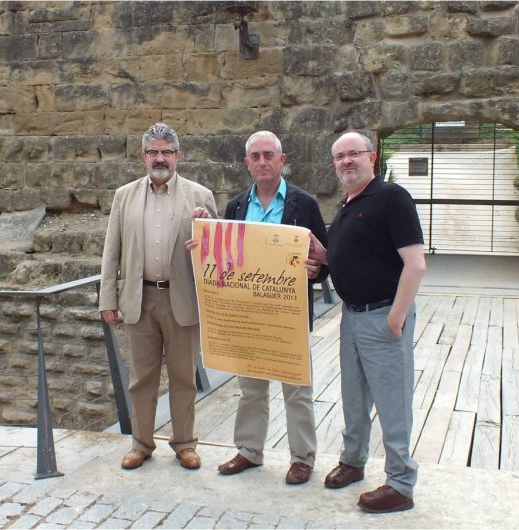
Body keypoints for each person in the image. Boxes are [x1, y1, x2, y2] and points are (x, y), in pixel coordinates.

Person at [306, 131, 426, 513]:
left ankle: (400, 483)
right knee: (354, 397)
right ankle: (353, 460)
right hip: (352, 317)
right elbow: (353, 255)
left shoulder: (391, 197)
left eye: (353, 154)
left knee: (393, 401)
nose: (346, 161)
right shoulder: (347, 204)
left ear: (371, 157)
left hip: (383, 315)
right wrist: (322, 256)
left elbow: (415, 263)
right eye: (339, 156)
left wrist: (397, 317)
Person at [209, 130, 329, 485]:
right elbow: (229, 259)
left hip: (288, 314)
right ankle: (249, 450)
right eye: (255, 156)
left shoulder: (303, 203)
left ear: (282, 160)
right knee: (251, 388)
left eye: (268, 155)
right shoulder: (235, 206)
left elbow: (322, 258)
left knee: (297, 388)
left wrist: (317, 268)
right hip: (249, 313)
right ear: (247, 163)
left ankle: (302, 457)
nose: (262, 162)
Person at [99, 123, 217, 471]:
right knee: (141, 379)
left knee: (183, 376)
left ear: (178, 155)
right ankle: (141, 443)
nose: (160, 158)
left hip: (182, 299)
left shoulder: (201, 196)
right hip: (140, 298)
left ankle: (185, 444)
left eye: (167, 151)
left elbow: (219, 250)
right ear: (143, 157)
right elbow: (112, 251)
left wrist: (207, 226)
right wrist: (109, 298)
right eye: (153, 152)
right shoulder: (125, 196)